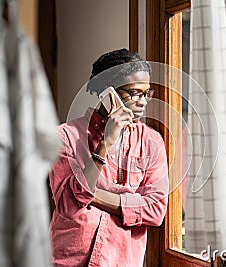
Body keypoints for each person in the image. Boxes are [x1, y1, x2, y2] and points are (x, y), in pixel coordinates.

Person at [49, 49, 169, 267]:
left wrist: (90, 195)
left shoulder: (152, 142)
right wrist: (105, 144)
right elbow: (68, 205)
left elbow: (155, 209)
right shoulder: (66, 136)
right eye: (134, 93)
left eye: (146, 93)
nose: (143, 102)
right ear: (107, 92)